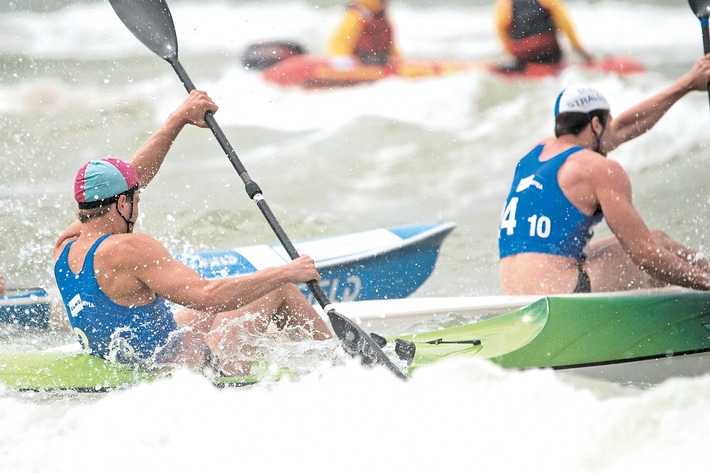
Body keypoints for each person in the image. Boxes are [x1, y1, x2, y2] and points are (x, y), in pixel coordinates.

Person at [54, 90, 333, 375]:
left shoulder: (65, 246)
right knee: (277, 286)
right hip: (193, 371)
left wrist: (179, 119)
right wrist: (289, 271)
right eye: (135, 200)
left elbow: (133, 179)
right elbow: (208, 295)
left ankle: (318, 350)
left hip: (135, 357)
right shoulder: (131, 249)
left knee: (230, 298)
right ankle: (341, 362)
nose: (137, 207)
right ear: (122, 203)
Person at [498, 55, 710, 295]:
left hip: (515, 297)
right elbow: (645, 256)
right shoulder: (597, 167)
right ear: (596, 125)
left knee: (655, 238)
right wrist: (704, 282)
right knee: (655, 246)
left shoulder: (534, 154)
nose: (615, 130)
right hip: (563, 298)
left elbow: (622, 128)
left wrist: (688, 84)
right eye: (609, 122)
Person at [494, 0, 593, 69]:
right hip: (549, 52)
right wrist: (579, 49)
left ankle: (520, 67)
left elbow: (501, 29)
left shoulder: (505, 2)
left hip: (524, 55)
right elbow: (565, 23)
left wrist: (510, 54)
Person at [327, 0, 401, 65]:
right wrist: (342, 62)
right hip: (358, 63)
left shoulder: (384, 18)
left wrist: (400, 62)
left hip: (379, 62)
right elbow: (339, 44)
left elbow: (391, 47)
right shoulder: (354, 16)